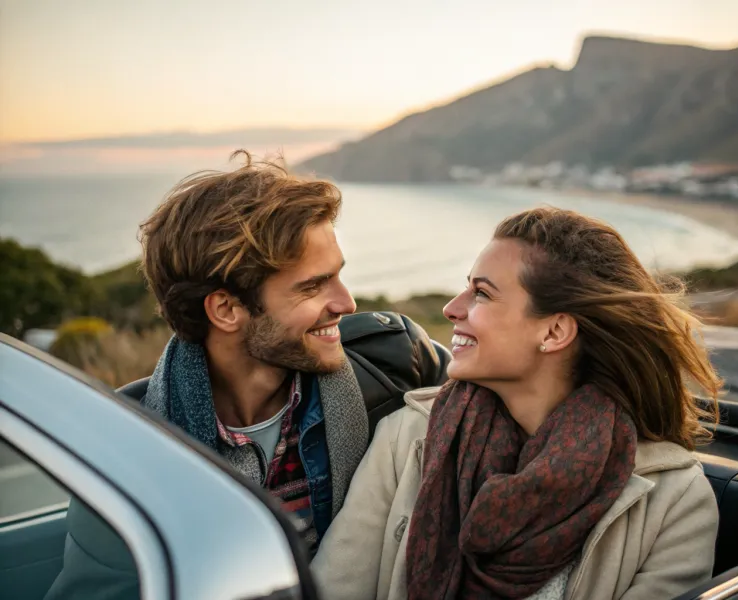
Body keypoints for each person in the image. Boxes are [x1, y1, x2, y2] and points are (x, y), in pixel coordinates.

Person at [45, 151, 448, 600]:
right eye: (313, 286)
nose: (347, 302)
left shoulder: (398, 363)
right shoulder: (128, 447)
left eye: (338, 276)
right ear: (226, 309)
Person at [311, 206, 722, 600]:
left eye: (482, 294)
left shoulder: (675, 501)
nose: (452, 309)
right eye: (464, 286)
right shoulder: (405, 438)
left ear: (555, 331)